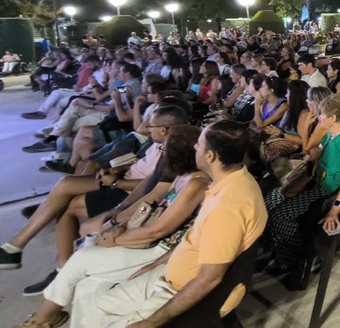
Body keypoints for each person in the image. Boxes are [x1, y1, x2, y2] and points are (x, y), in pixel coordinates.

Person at [14, 126, 208, 327]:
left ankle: (42, 319)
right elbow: (149, 200)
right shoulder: (180, 175)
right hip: (146, 241)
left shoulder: (197, 183)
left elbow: (159, 230)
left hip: (160, 251)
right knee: (89, 285)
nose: (161, 154)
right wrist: (116, 223)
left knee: (81, 259)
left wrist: (116, 238)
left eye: (164, 150)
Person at [83, 120, 267, 327]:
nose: (195, 147)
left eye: (199, 144)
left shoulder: (227, 207)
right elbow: (195, 240)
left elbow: (209, 278)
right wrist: (153, 266)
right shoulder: (232, 179)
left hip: (183, 290)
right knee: (97, 306)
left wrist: (150, 323)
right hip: (170, 275)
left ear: (210, 156)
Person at [0, 105, 189, 271]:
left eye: (152, 125)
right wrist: (120, 168)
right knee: (67, 189)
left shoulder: (171, 151)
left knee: (66, 191)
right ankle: (42, 257)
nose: (146, 128)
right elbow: (144, 163)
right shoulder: (158, 144)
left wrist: (114, 182)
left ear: (164, 130)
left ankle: (25, 250)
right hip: (121, 178)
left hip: (126, 191)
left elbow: (151, 185)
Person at [262, 93, 340, 275]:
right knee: (270, 200)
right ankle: (279, 246)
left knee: (280, 216)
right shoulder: (332, 132)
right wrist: (318, 151)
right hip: (316, 182)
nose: (319, 117)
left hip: (328, 191)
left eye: (322, 114)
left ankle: (296, 255)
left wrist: (335, 209)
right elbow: (313, 149)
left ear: (332, 118)